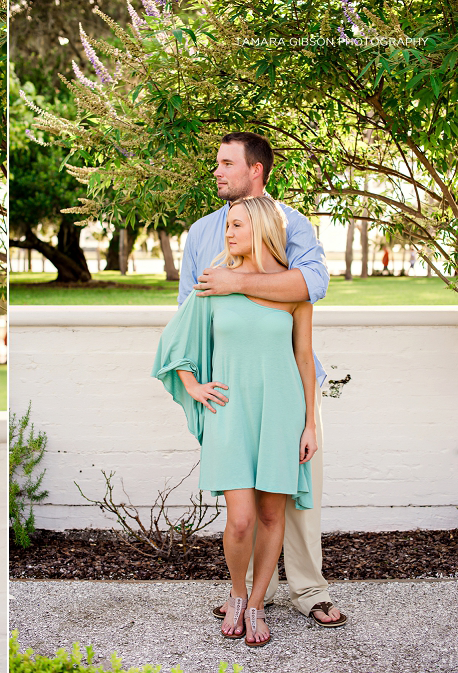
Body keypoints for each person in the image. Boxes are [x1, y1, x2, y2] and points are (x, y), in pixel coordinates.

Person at [178, 132, 347, 629]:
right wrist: (197, 385)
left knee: (295, 494)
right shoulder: (201, 233)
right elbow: (190, 316)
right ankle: (257, 595)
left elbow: (312, 284)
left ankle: (310, 590)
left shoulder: (290, 224)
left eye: (227, 163)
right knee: (245, 505)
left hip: (288, 386)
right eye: (217, 163)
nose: (217, 172)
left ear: (256, 170)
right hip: (231, 390)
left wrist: (238, 280)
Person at [154, 196, 317, 646]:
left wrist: (311, 425)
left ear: (262, 227)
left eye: (237, 224)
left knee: (270, 514)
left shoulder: (293, 291)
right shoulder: (214, 283)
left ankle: (260, 603)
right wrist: (191, 385)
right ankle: (238, 594)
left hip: (282, 413)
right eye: (227, 224)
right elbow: (175, 342)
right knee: (240, 519)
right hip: (230, 413)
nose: (228, 232)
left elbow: (304, 359)